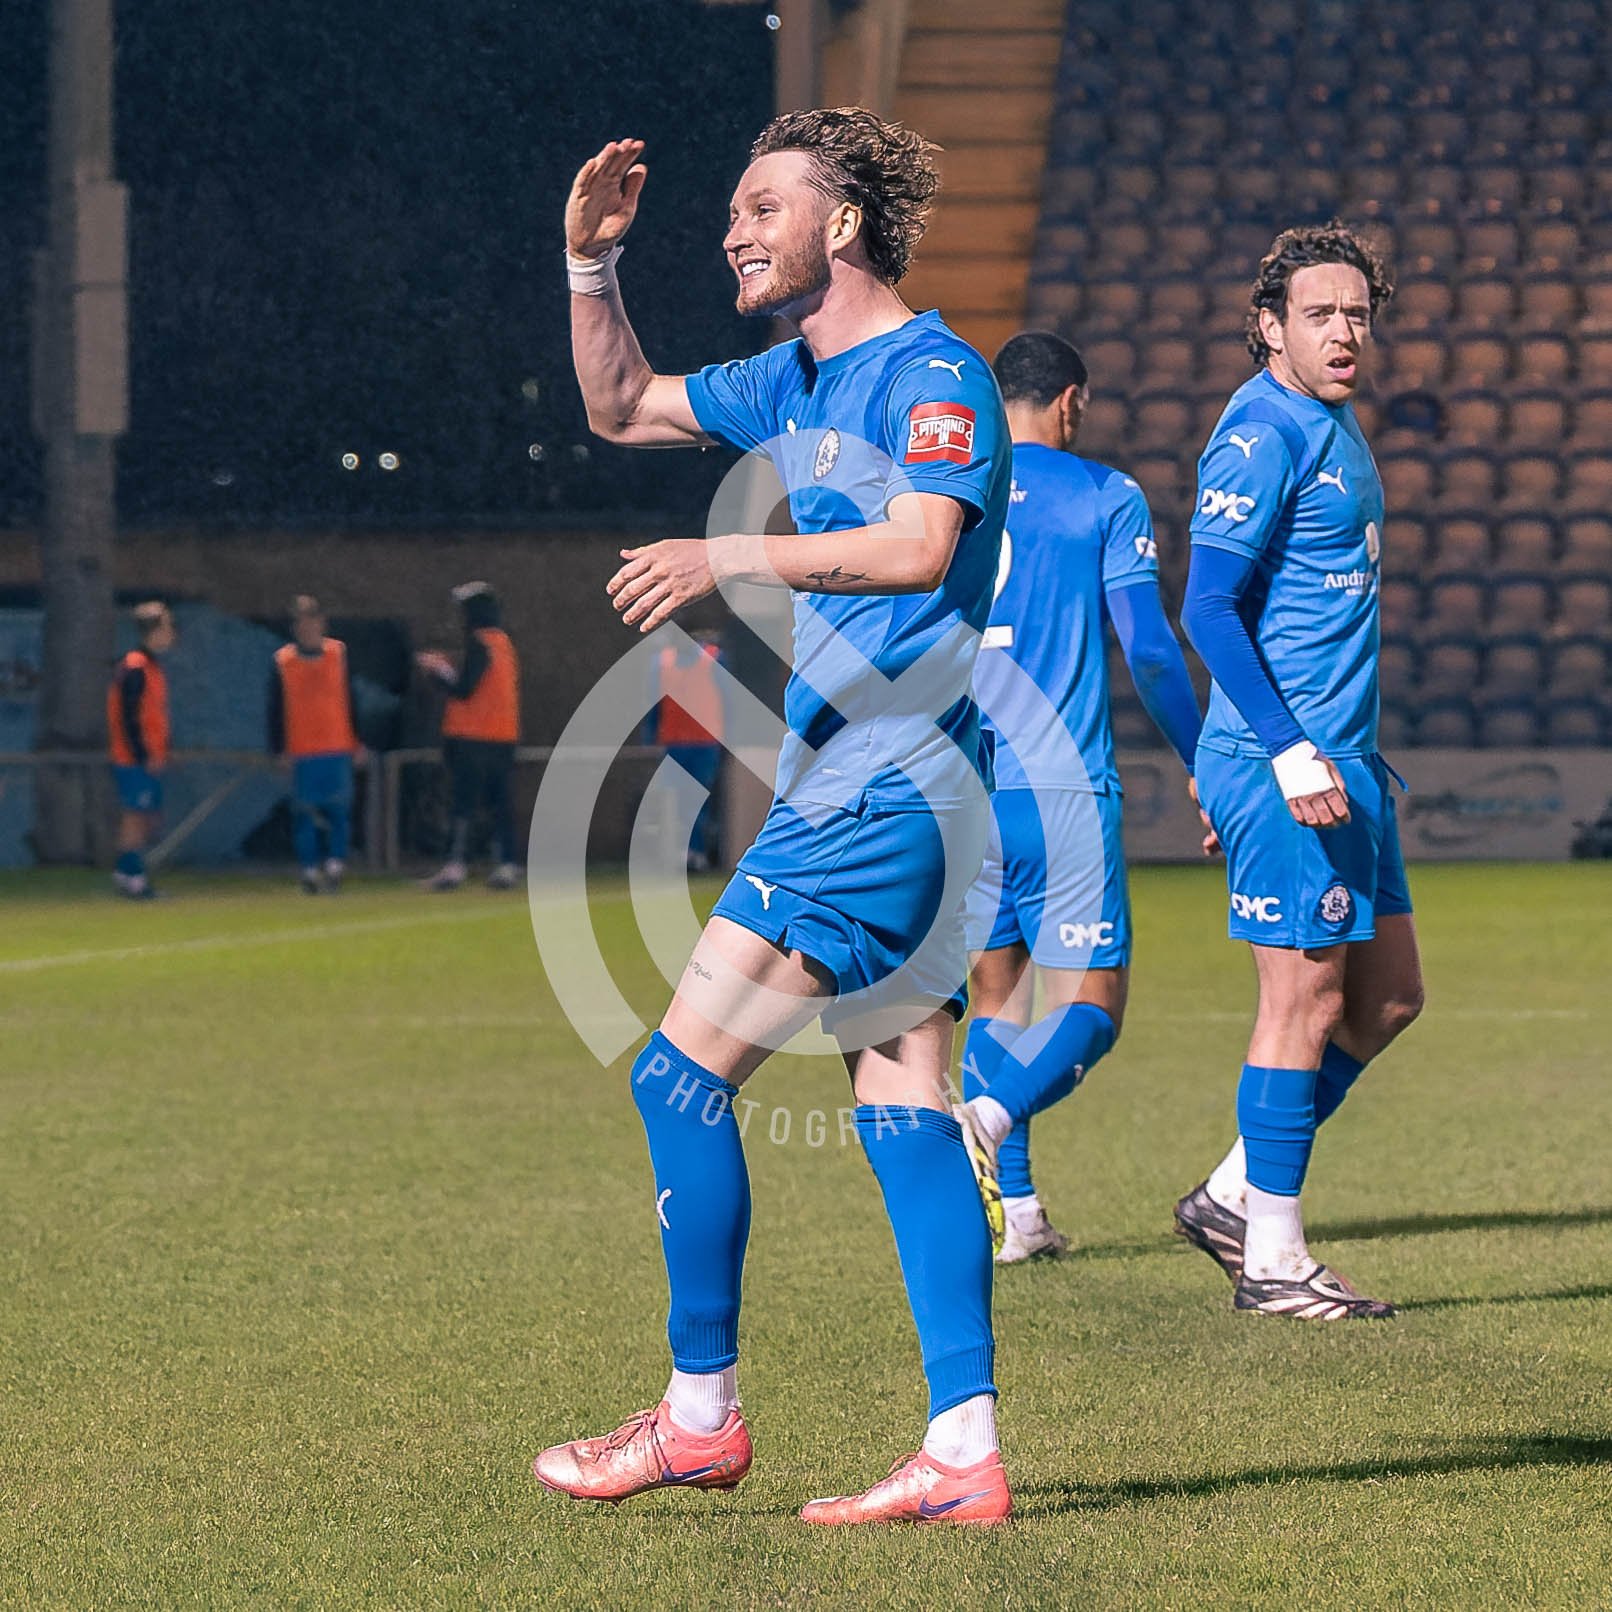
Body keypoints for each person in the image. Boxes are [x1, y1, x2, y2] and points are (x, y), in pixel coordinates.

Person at [531, 109, 1015, 1526]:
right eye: (733, 211)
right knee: (902, 1101)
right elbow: (623, 406)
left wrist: (727, 554)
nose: (733, 231)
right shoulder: (791, 376)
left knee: (675, 1076)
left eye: (761, 207)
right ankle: (964, 1449)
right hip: (902, 790)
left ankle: (698, 1419)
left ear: (842, 224)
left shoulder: (934, 374)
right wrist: (588, 269)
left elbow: (922, 544)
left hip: (880, 785)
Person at [1172, 222, 1424, 1321]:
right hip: (1294, 761)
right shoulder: (1261, 431)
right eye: (1319, 313)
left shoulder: (1333, 420)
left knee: (1390, 999)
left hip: (1346, 762)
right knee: (1306, 998)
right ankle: (1272, 1257)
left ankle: (1233, 1192)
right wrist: (1276, 753)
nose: (1343, 332)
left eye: (1357, 314)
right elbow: (1206, 608)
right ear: (1269, 326)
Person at [952, 332, 1203, 1263]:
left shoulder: (953, 495)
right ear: (1071, 401)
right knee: (1094, 1010)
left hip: (967, 786)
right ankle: (983, 1116)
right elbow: (1148, 647)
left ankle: (1018, 1217)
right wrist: (1201, 755)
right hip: (1059, 787)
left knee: (998, 993)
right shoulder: (1104, 493)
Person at [416, 582, 521, 891]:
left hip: (472, 736)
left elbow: (464, 688)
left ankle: (456, 864)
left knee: (463, 804)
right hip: (502, 735)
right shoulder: (502, 643)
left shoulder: (480, 642)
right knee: (499, 803)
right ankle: (506, 863)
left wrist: (437, 671)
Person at [268, 595, 362, 893]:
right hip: (302, 749)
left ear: (322, 623)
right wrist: (279, 749)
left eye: (311, 620)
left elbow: (352, 698)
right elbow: (274, 708)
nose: (307, 627)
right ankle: (309, 870)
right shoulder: (283, 661)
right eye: (301, 622)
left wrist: (357, 740)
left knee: (339, 811)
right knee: (304, 813)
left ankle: (335, 866)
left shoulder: (338, 653)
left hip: (337, 745)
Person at [106, 601, 176, 900]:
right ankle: (133, 877)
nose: (172, 634)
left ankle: (126, 871)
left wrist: (164, 750)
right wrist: (143, 756)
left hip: (148, 757)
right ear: (154, 630)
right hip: (133, 759)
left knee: (146, 817)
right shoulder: (135, 667)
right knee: (135, 816)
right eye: (168, 627)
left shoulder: (150, 666)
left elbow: (154, 715)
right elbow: (129, 718)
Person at [645, 630, 726, 870]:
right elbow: (654, 705)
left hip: (705, 742)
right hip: (675, 743)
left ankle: (698, 852)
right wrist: (650, 738)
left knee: (698, 800)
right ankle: (682, 852)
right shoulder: (661, 663)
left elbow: (728, 701)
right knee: (676, 801)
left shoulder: (713, 660)